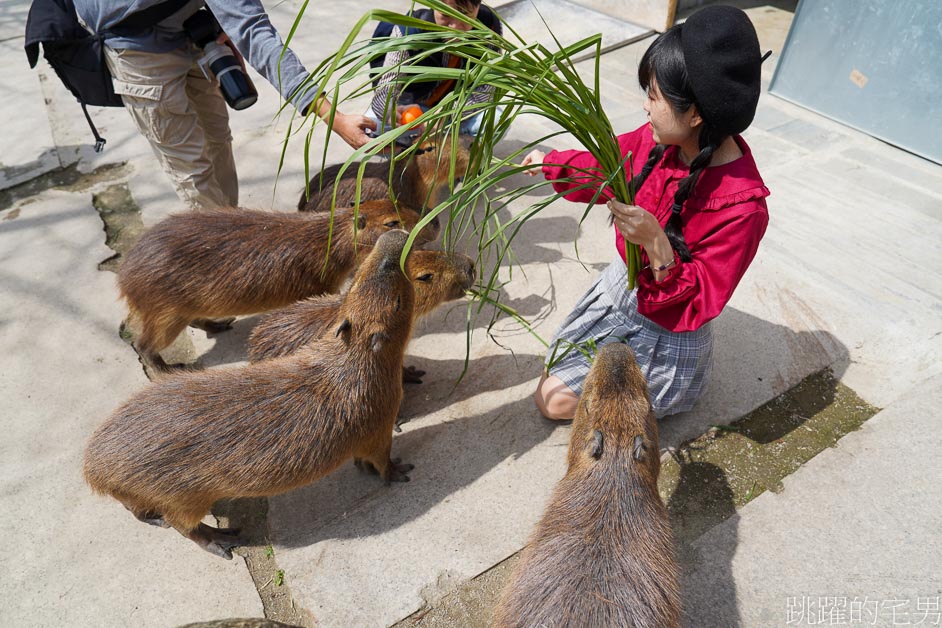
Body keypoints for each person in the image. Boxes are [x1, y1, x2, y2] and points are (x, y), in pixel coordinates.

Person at [521, 5, 770, 420]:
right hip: (622, 294)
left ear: (695, 113)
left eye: (654, 95)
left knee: (553, 401)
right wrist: (549, 165)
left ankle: (672, 387)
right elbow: (605, 168)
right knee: (550, 381)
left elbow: (700, 298)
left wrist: (657, 244)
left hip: (666, 329)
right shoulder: (657, 141)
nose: (644, 106)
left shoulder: (742, 207)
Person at [73, 0, 377, 211]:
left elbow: (248, 26)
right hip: (135, 46)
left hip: (192, 31)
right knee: (191, 167)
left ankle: (226, 223)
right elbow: (255, 34)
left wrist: (222, 20)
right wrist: (332, 117)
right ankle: (215, 255)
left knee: (217, 137)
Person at [369, 0, 502, 138]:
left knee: (496, 122)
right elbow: (385, 91)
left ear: (478, 6)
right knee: (372, 128)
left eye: (464, 15)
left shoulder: (489, 27)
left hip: (455, 112)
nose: (454, 27)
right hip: (411, 110)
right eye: (445, 14)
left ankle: (450, 145)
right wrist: (390, 111)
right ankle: (416, 145)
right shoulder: (408, 30)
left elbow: (484, 91)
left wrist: (442, 116)